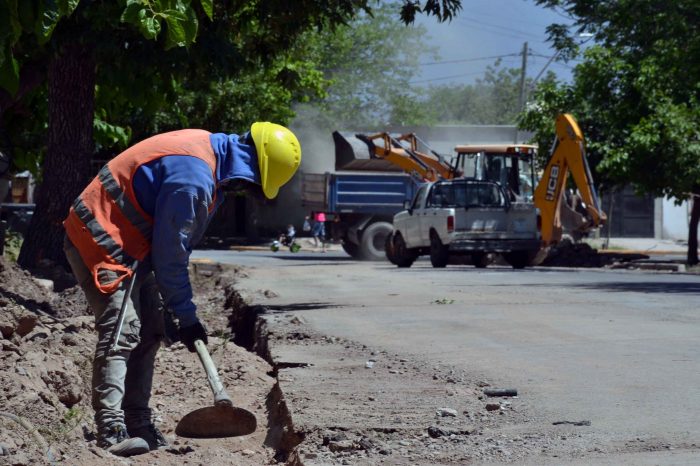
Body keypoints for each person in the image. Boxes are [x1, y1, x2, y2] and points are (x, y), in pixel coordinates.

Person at [62, 123, 301, 457]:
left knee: (152, 330)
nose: (247, 191)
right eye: (254, 185)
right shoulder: (194, 177)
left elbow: (174, 245)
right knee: (123, 327)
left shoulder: (210, 154)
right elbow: (170, 254)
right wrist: (186, 316)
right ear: (252, 169)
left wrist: (175, 310)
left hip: (134, 243)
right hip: (104, 236)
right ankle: (111, 429)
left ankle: (139, 424)